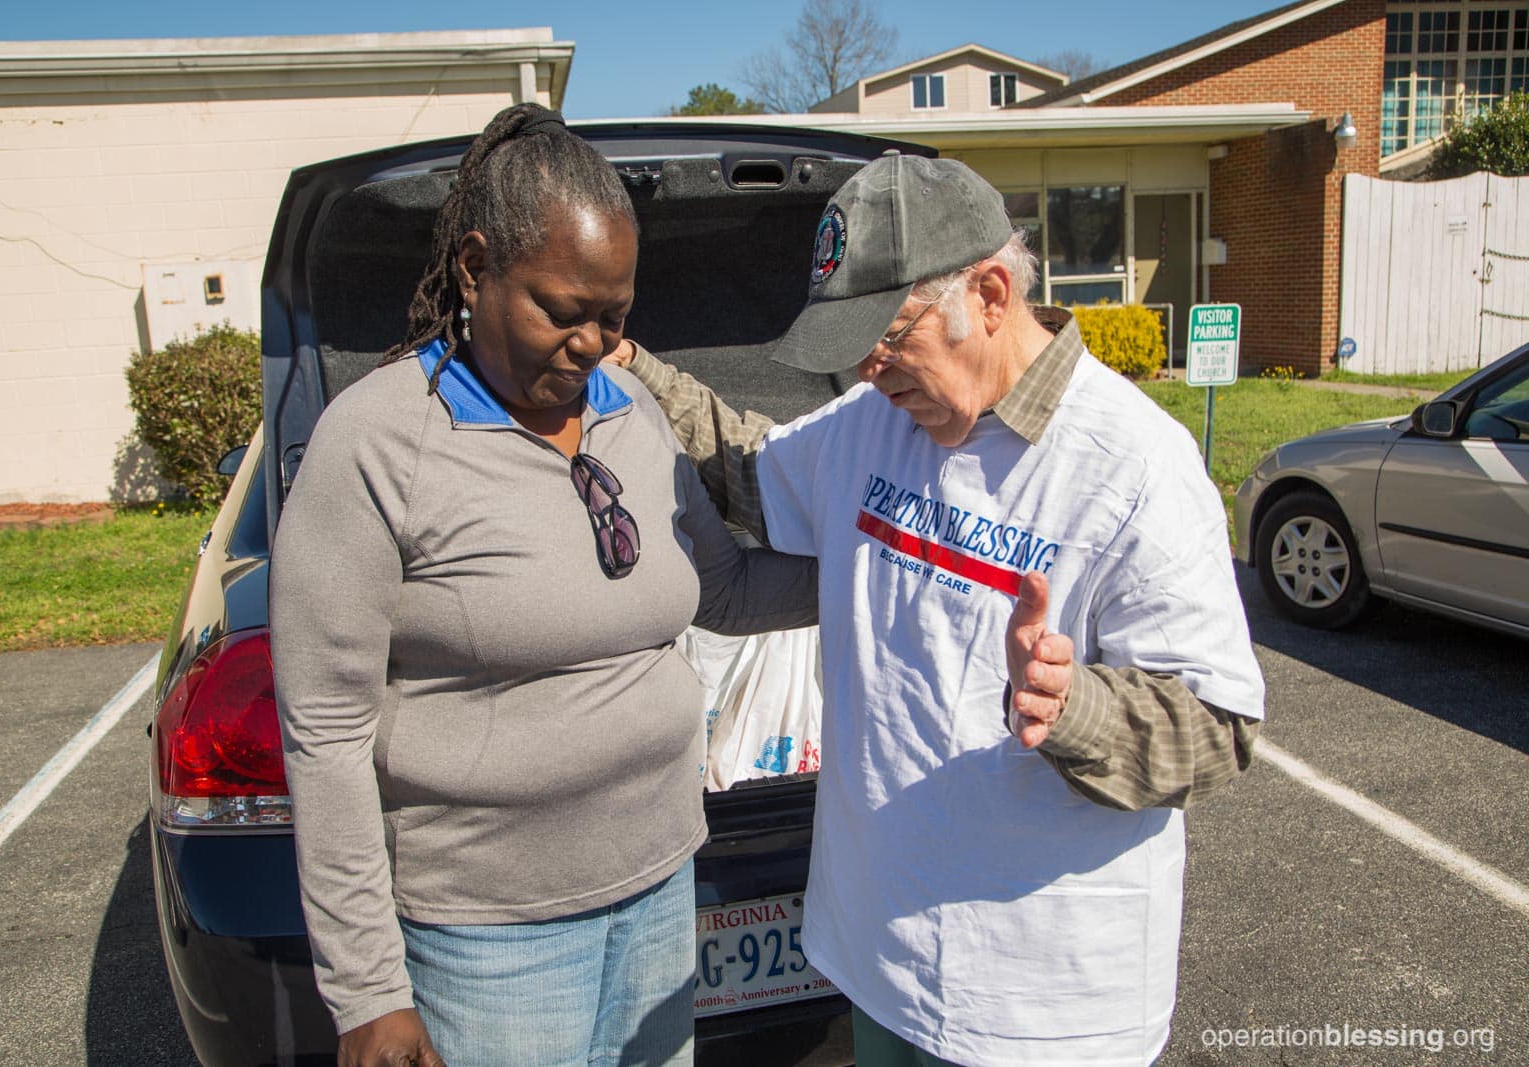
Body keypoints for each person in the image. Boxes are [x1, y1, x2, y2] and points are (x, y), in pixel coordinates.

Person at [608, 153, 1266, 1066]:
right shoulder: (872, 424)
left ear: (991, 294)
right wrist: (630, 366)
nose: (869, 368)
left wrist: (1071, 706)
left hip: (1044, 1010)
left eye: (889, 334)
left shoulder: (1135, 465)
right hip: (883, 962)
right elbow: (749, 469)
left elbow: (1219, 729)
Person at [268, 103, 817, 1067]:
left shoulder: (632, 407)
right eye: (562, 312)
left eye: (615, 316)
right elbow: (326, 731)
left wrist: (888, 577)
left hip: (656, 889)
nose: (593, 343)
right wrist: (366, 992)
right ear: (476, 271)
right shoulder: (381, 442)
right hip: (490, 936)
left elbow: (718, 590)